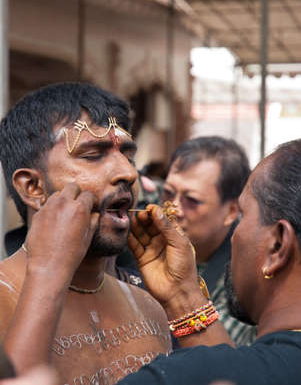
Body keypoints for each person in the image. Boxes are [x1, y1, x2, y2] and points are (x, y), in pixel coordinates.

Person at [0, 82, 171, 384]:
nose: (128, 173)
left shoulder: (148, 306)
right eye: (93, 156)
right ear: (33, 187)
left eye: (128, 156)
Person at [117, 138, 301, 384]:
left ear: (277, 246)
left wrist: (50, 267)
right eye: (169, 194)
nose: (175, 208)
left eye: (245, 215)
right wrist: (182, 296)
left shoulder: (187, 375)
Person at [161, 136, 256, 345]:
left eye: (191, 200)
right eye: (168, 193)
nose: (173, 209)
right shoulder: (146, 246)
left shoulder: (246, 277)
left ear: (231, 211)